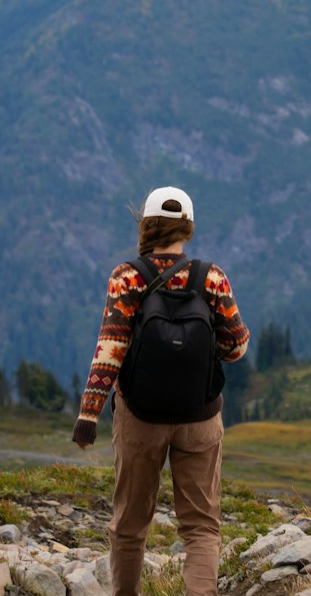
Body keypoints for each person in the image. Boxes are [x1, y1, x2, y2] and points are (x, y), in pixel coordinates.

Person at [72, 186, 250, 596]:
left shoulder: (127, 276)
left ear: (146, 225)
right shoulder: (212, 277)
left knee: (130, 525)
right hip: (200, 418)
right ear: (187, 227)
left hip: (140, 417)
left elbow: (111, 349)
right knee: (201, 528)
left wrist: (88, 415)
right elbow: (237, 346)